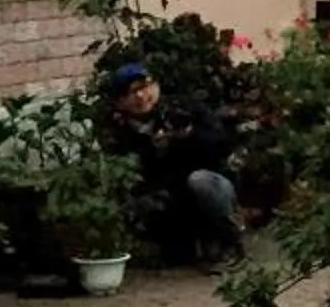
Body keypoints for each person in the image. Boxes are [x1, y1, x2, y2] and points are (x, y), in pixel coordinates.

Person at [102, 61, 244, 264]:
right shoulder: (119, 130)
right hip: (167, 197)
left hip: (208, 184)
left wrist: (187, 136)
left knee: (201, 181)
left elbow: (222, 145)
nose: (141, 97)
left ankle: (227, 239)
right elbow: (128, 171)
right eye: (130, 93)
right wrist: (153, 149)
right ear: (120, 102)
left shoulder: (184, 108)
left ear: (156, 86)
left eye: (144, 88)